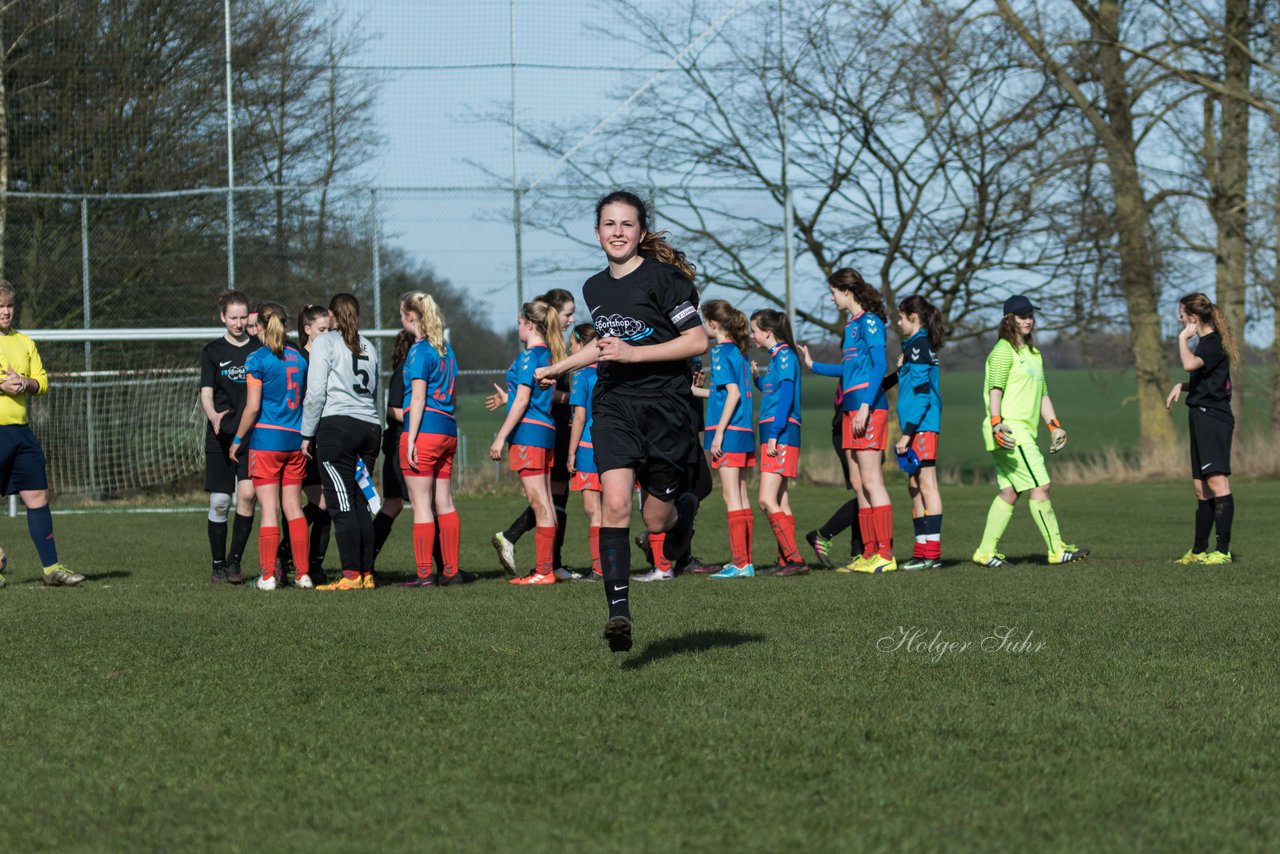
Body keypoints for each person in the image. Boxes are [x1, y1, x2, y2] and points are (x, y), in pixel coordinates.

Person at [535, 190, 707, 652]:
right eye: (609, 224)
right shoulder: (595, 287)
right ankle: (619, 614)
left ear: (641, 232)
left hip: (667, 407)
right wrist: (560, 367)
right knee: (614, 503)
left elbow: (696, 342)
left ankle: (682, 513)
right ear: (597, 233)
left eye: (627, 224)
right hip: (614, 403)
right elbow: (606, 344)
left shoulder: (666, 280)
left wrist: (636, 353)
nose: (617, 232)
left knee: (655, 522)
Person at [972, 295, 1088, 567]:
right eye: (1021, 316)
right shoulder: (1003, 351)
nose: (1027, 320)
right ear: (1008, 319)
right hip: (1010, 432)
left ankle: (984, 552)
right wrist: (997, 422)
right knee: (1041, 485)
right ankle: (1056, 549)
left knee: (1011, 491)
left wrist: (1054, 426)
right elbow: (995, 391)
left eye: (1030, 316)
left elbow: (1042, 393)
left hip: (1022, 431)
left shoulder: (1033, 354)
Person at [799, 268, 896, 573]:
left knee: (871, 480)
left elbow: (879, 365)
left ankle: (885, 554)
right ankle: (868, 553)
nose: (831, 297)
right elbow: (850, 370)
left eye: (833, 292)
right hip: (851, 409)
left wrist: (866, 405)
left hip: (868, 408)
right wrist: (814, 366)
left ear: (846, 291)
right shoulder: (852, 325)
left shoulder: (870, 321)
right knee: (858, 483)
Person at [488, 289, 578, 578]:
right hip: (546, 431)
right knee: (547, 503)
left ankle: (543, 572)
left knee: (540, 503)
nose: (517, 329)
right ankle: (547, 569)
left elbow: (525, 400)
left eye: (518, 323)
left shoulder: (530, 357)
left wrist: (501, 436)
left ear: (529, 324)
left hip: (528, 434)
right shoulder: (549, 355)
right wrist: (508, 399)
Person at [0, 280, 83, 587]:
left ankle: (51, 569)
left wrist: (24, 381)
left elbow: (42, 383)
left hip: (21, 432)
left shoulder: (24, 342)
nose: (6, 312)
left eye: (9, 306)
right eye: (0, 307)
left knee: (37, 495)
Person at [300, 293, 382, 590]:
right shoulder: (369, 346)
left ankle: (350, 575)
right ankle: (367, 574)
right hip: (371, 426)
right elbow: (373, 391)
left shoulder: (326, 342)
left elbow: (316, 393)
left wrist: (307, 433)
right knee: (359, 501)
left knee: (342, 502)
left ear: (332, 315)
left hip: (338, 427)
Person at [229, 303, 311, 590]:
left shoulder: (257, 358)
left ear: (260, 328)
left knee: (270, 510)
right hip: (295, 439)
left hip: (267, 442)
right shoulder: (299, 358)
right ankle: (303, 574)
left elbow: (252, 408)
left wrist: (238, 440)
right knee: (294, 508)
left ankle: (267, 576)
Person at [401, 291, 474, 585]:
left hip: (426, 430)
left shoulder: (419, 351)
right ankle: (451, 571)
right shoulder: (447, 350)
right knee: (444, 500)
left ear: (411, 316)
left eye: (401, 314)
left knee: (421, 504)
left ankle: (424, 574)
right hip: (447, 428)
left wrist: (410, 440)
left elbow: (417, 398)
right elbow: (453, 395)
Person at [1165, 293, 1238, 565]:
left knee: (1217, 484)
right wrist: (1182, 386)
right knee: (1200, 489)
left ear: (1193, 318)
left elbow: (1189, 364)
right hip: (1200, 415)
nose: (1179, 319)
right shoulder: (1208, 345)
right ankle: (1198, 551)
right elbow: (1210, 382)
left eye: (1182, 315)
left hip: (1213, 419)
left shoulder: (1211, 343)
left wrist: (1183, 339)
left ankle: (1222, 551)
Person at [691, 299, 756, 579]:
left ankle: (740, 563)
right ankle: (746, 562)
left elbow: (734, 394)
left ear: (713, 324)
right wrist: (696, 392)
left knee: (731, 497)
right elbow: (724, 393)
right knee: (741, 495)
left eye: (703, 321)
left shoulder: (720, 352)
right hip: (743, 431)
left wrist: (717, 433)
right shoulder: (738, 354)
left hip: (728, 432)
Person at [200, 289, 260, 584]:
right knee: (221, 501)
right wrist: (212, 415)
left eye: (243, 317)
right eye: (232, 318)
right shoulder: (212, 351)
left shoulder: (259, 349)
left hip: (251, 436)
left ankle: (235, 563)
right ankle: (217, 564)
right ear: (222, 317)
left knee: (247, 495)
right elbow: (206, 390)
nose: (238, 323)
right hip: (220, 436)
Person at [881, 295, 944, 571]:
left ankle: (932, 554)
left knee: (927, 484)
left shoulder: (919, 347)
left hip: (921, 427)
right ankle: (921, 551)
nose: (897, 322)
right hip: (915, 427)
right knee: (914, 486)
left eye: (901, 317)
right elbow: (901, 382)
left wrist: (907, 434)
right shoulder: (913, 347)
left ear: (914, 318)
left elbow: (922, 398)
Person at [750, 308, 807, 576]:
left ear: (767, 332)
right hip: (776, 432)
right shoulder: (776, 358)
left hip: (780, 434)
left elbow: (786, 398)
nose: (752, 336)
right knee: (781, 500)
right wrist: (758, 381)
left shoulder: (784, 356)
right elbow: (775, 392)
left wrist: (775, 432)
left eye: (754, 331)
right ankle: (786, 561)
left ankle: (795, 559)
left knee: (765, 500)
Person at [372, 326, 416, 572]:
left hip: (404, 441)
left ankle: (365, 559)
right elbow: (392, 409)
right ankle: (445, 567)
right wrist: (417, 418)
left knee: (395, 503)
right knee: (416, 504)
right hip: (400, 441)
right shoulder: (403, 371)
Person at [566, 323, 604, 580]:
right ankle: (613, 564)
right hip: (613, 445)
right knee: (612, 508)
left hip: (589, 447)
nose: (570, 349)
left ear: (581, 345)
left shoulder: (581, 375)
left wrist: (571, 453)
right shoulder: (609, 371)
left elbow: (579, 417)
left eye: (571, 344)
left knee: (593, 510)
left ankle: (600, 568)